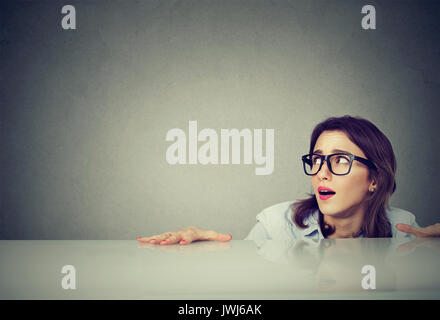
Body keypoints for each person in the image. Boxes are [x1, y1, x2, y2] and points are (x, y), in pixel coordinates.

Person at [137, 116, 440, 245]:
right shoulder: (276, 224)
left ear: (375, 178)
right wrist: (210, 251)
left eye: (339, 160)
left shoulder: (404, 231)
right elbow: (244, 286)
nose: (322, 171)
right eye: (317, 159)